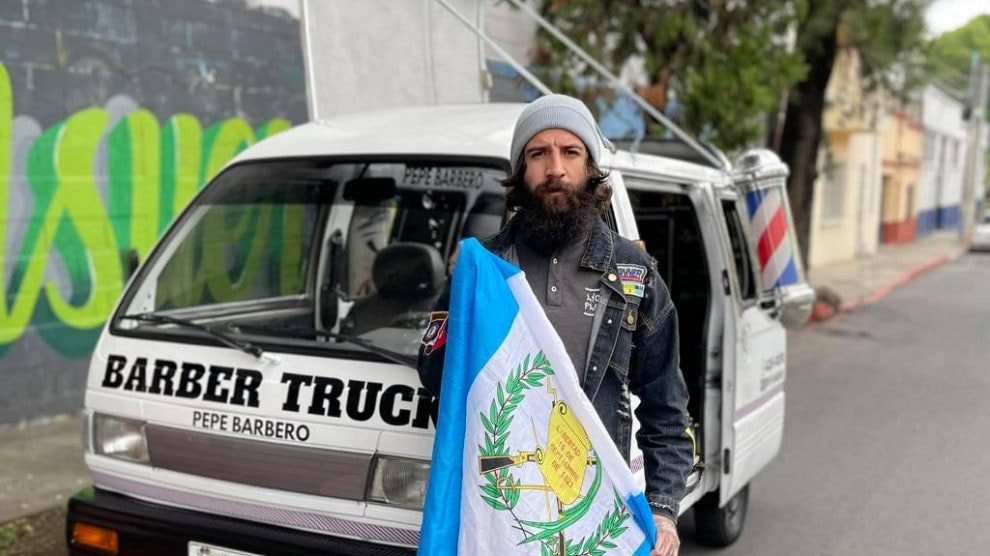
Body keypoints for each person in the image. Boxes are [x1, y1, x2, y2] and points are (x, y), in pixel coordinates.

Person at [417, 94, 693, 556]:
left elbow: (667, 408)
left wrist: (663, 510)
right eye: (538, 153)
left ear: (590, 168)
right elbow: (433, 376)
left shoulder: (634, 272)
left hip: (594, 509)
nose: (555, 169)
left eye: (570, 152)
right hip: (499, 517)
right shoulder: (484, 266)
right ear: (521, 171)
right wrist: (462, 295)